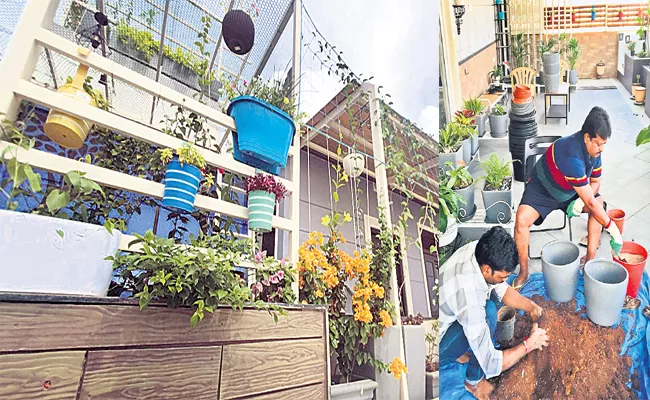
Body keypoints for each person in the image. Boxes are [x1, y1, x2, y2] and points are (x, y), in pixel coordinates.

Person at [512, 106, 623, 289]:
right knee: (521, 220)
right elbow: (590, 201)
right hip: (543, 190)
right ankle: (524, 272)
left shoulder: (595, 151)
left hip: (572, 191)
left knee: (600, 204)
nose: (601, 149)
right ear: (587, 137)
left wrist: (579, 202)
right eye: (598, 144)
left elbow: (596, 181)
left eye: (604, 144)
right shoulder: (570, 153)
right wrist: (613, 230)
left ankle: (589, 262)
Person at [439, 226, 550, 400]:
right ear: (486, 270)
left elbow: (502, 289)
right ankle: (473, 383)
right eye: (502, 277)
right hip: (438, 344)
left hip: (450, 312)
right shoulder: (470, 299)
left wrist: (530, 306)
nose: (505, 281)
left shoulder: (479, 250)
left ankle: (460, 352)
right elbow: (491, 362)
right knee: (489, 313)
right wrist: (530, 344)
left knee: (490, 307)